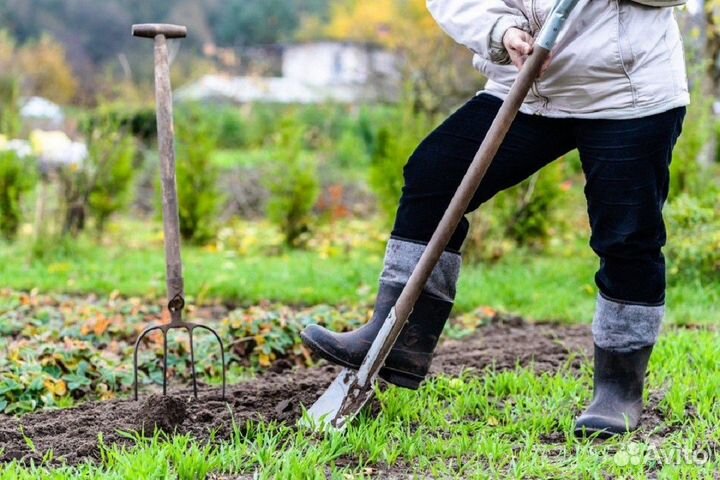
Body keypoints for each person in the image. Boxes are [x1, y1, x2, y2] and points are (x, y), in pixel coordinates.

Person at [301, 0, 689, 437]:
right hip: (526, 85)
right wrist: (499, 31)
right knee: (436, 175)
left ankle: (618, 389)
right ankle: (398, 336)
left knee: (625, 234)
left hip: (625, 93)